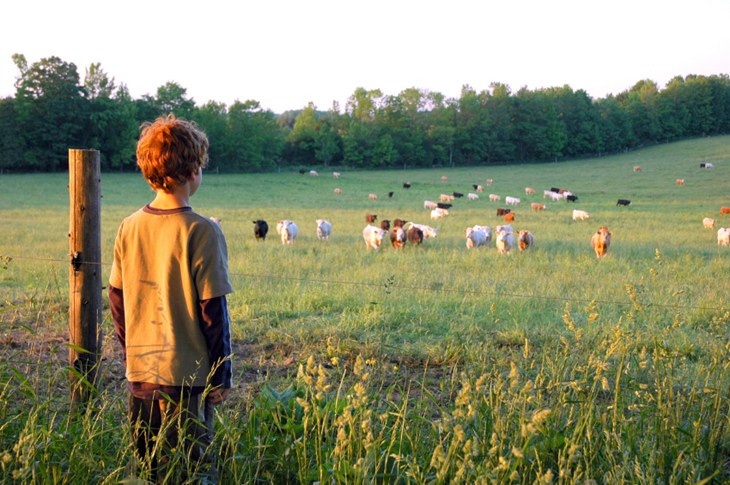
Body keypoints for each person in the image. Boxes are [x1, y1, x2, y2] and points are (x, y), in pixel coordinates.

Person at [109, 114, 233, 483]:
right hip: (189, 377)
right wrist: (220, 376)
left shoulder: (128, 226)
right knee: (190, 469)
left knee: (147, 469)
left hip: (141, 373)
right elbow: (213, 311)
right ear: (194, 170)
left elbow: (117, 301)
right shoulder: (203, 229)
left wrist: (131, 352)